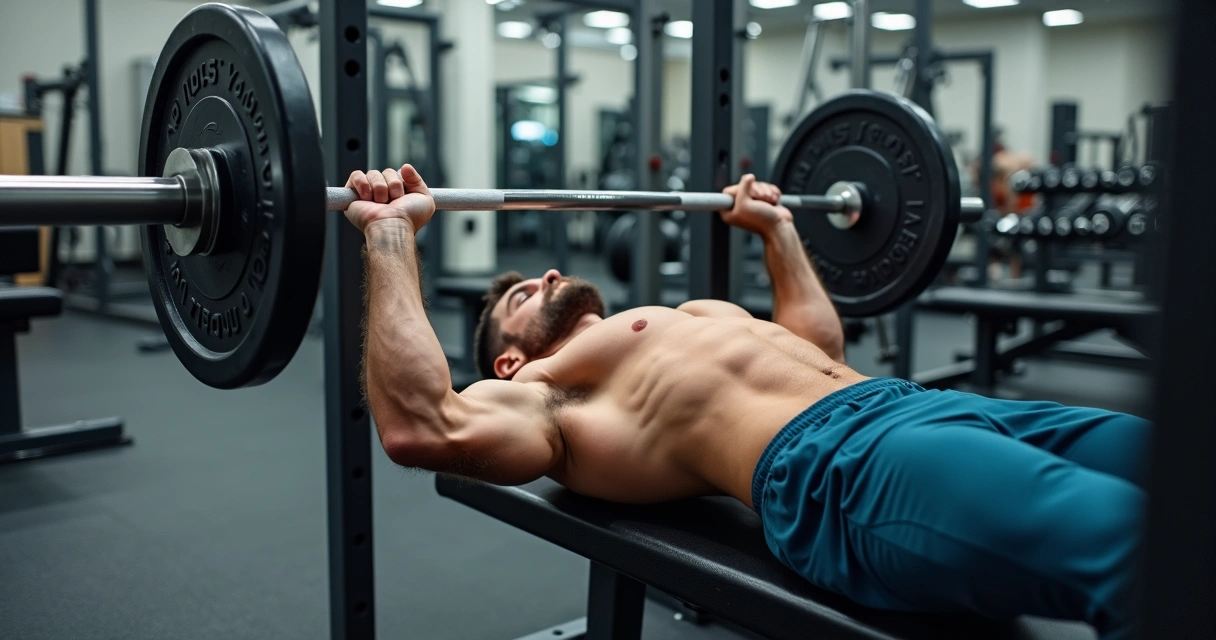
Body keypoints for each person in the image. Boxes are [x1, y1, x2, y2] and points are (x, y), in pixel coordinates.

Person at [344, 164, 1146, 640]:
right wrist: (388, 233)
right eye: (524, 292)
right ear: (509, 360)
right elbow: (421, 424)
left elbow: (819, 350)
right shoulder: (547, 397)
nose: (548, 275)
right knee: (1142, 550)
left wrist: (775, 229)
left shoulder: (692, 315)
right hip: (847, 470)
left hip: (919, 408)